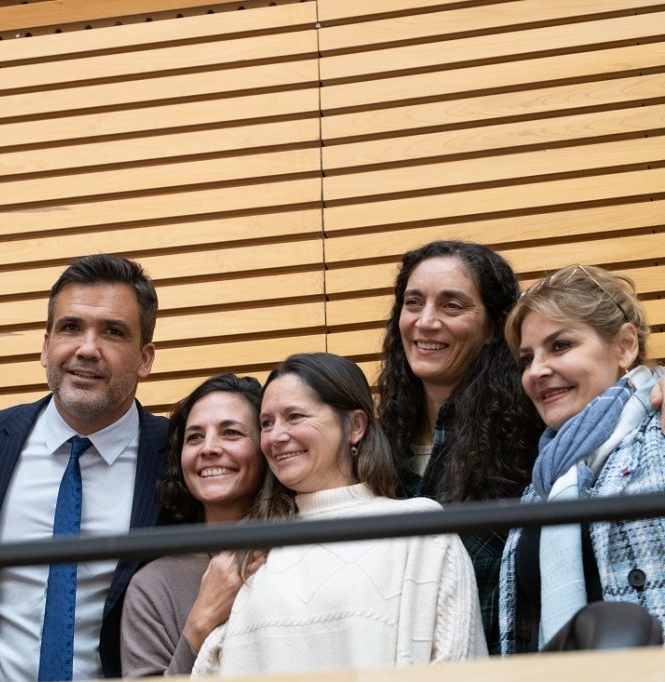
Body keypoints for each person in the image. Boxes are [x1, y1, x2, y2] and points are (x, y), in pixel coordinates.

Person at [0, 254, 168, 682]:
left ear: (145, 358)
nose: (87, 349)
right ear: (46, 347)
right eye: (70, 327)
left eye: (113, 332)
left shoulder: (177, 457)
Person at [192, 352, 486, 676]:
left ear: (355, 426)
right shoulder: (253, 549)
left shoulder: (419, 529)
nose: (276, 436)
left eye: (294, 417)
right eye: (266, 423)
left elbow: (459, 665)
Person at [376, 240, 544, 652]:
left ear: (493, 328)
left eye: (452, 306)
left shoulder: (536, 433)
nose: (426, 322)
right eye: (413, 303)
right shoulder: (374, 446)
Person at [499, 264, 665, 653]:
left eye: (560, 345)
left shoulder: (659, 432)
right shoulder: (544, 480)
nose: (536, 371)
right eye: (527, 359)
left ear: (624, 346)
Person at [120, 374, 269, 677]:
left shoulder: (303, 553)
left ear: (266, 447)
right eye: (194, 437)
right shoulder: (153, 586)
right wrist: (199, 624)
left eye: (230, 433)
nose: (208, 448)